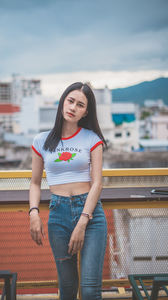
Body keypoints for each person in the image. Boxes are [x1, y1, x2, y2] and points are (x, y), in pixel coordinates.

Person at [29, 82, 107, 300]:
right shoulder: (41, 140)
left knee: (91, 290)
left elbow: (97, 183)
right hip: (58, 215)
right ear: (63, 101)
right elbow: (35, 182)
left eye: (80, 105)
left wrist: (83, 221)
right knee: (68, 288)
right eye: (70, 101)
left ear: (85, 112)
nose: (73, 107)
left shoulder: (92, 139)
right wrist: (33, 212)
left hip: (90, 215)